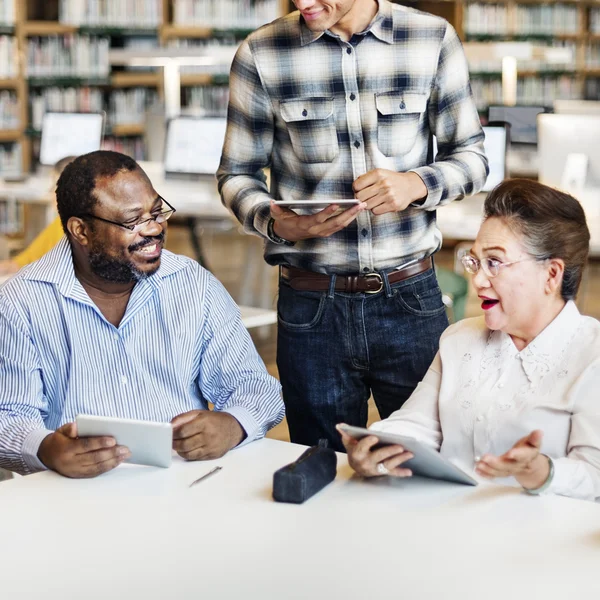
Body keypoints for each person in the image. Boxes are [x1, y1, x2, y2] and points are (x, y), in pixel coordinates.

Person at [217, 0, 489, 451]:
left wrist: (416, 184)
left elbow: (473, 158)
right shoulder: (260, 52)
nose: (304, 3)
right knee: (320, 468)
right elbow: (235, 175)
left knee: (431, 462)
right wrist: (278, 223)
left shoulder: (431, 39)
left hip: (412, 302)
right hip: (311, 309)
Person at [0, 151, 284, 478]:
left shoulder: (193, 284)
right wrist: (47, 448)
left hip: (185, 482)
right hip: (73, 495)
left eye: (156, 211)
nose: (154, 229)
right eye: (133, 221)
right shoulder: (20, 302)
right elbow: (8, 416)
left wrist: (234, 423)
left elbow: (255, 387)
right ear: (81, 231)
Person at [339, 179, 600, 501]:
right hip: (446, 518)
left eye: (495, 262)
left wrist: (541, 471)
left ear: (551, 274)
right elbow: (417, 424)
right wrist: (374, 446)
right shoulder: (460, 337)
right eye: (475, 261)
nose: (477, 279)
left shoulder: (592, 355)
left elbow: (594, 474)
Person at [0, 156, 76, 276]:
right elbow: (20, 263)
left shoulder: (72, 232)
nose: (50, 194)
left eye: (54, 188)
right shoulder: (59, 224)